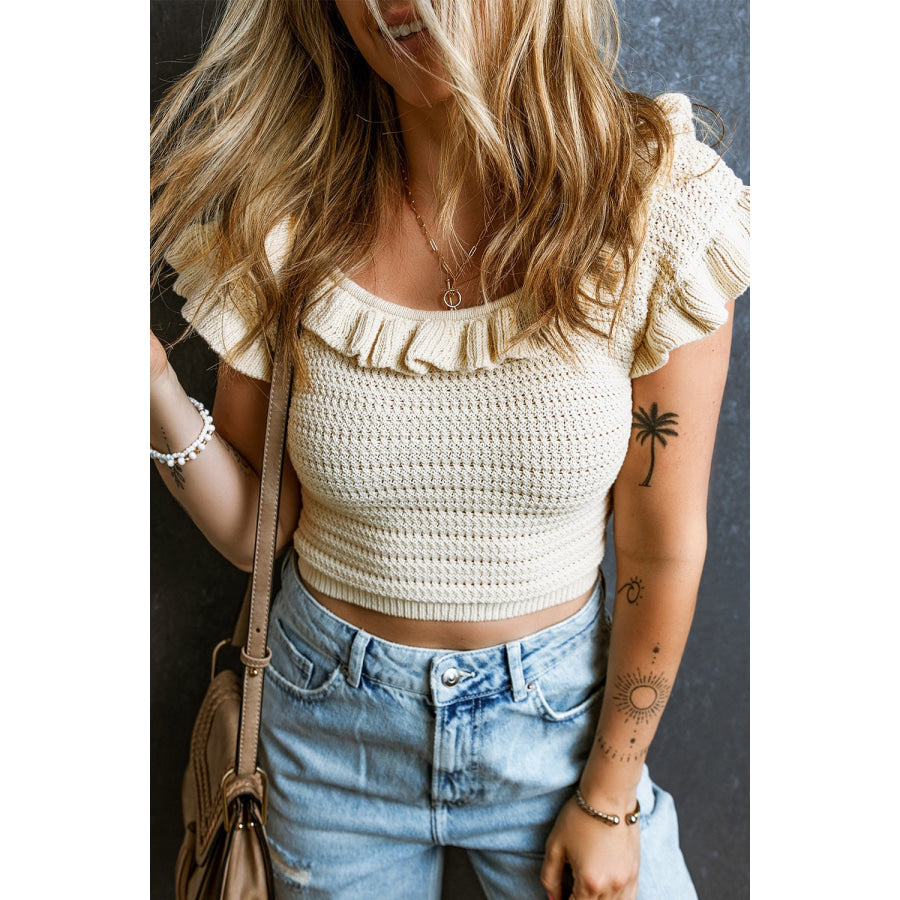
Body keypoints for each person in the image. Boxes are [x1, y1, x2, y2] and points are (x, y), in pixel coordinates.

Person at [150, 1, 749, 897]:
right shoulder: (286, 209)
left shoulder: (656, 206)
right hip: (326, 734)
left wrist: (610, 795)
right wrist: (153, 392)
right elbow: (256, 537)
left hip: (562, 728)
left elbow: (662, 548)